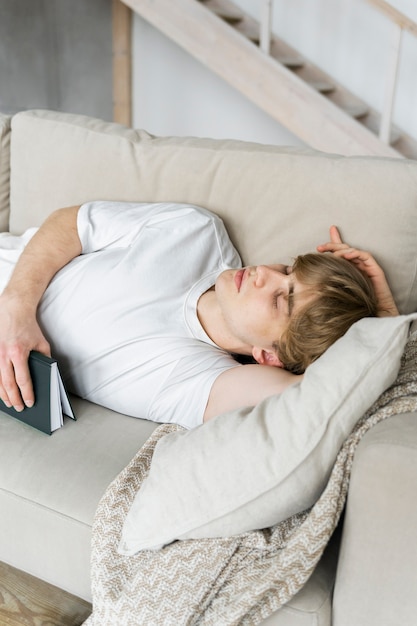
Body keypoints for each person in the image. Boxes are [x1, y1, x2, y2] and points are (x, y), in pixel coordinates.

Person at [0, 201, 398, 428]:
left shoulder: (199, 380)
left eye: (282, 300)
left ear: (270, 356)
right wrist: (16, 308)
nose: (266, 275)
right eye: (289, 269)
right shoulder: (198, 231)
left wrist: (384, 317)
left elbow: (325, 398)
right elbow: (70, 223)